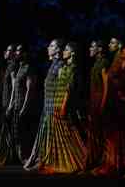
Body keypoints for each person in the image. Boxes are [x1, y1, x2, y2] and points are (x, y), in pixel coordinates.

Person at [39, 42, 87, 174]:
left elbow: (69, 90)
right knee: (60, 137)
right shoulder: (65, 67)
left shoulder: (74, 68)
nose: (63, 52)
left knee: (69, 136)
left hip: (64, 105)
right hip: (57, 103)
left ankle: (78, 162)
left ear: (73, 53)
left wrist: (64, 106)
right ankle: (60, 162)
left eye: (66, 49)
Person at [92, 42, 125, 177]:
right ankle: (112, 163)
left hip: (123, 104)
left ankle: (120, 164)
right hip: (114, 103)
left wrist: (110, 80)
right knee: (113, 136)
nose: (124, 50)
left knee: (121, 136)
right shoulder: (119, 65)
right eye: (124, 48)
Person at [24, 39, 65, 170]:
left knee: (51, 136)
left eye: (52, 46)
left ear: (58, 49)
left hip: (54, 106)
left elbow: (62, 88)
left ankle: (45, 160)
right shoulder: (53, 64)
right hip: (46, 105)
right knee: (43, 134)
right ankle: (38, 158)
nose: (48, 48)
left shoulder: (60, 65)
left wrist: (57, 106)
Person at [0, 44, 18, 166]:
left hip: (9, 103)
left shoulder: (13, 67)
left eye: (9, 50)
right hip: (4, 102)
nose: (6, 52)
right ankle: (5, 154)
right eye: (6, 49)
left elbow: (14, 87)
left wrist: (11, 104)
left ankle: (10, 156)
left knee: (8, 131)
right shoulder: (7, 66)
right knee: (4, 131)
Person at [85, 40, 110, 169]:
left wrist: (103, 103)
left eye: (92, 46)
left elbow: (106, 84)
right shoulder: (96, 63)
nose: (90, 48)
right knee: (94, 131)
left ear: (99, 49)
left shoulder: (104, 63)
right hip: (94, 100)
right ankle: (94, 159)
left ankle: (102, 160)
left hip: (99, 100)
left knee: (101, 132)